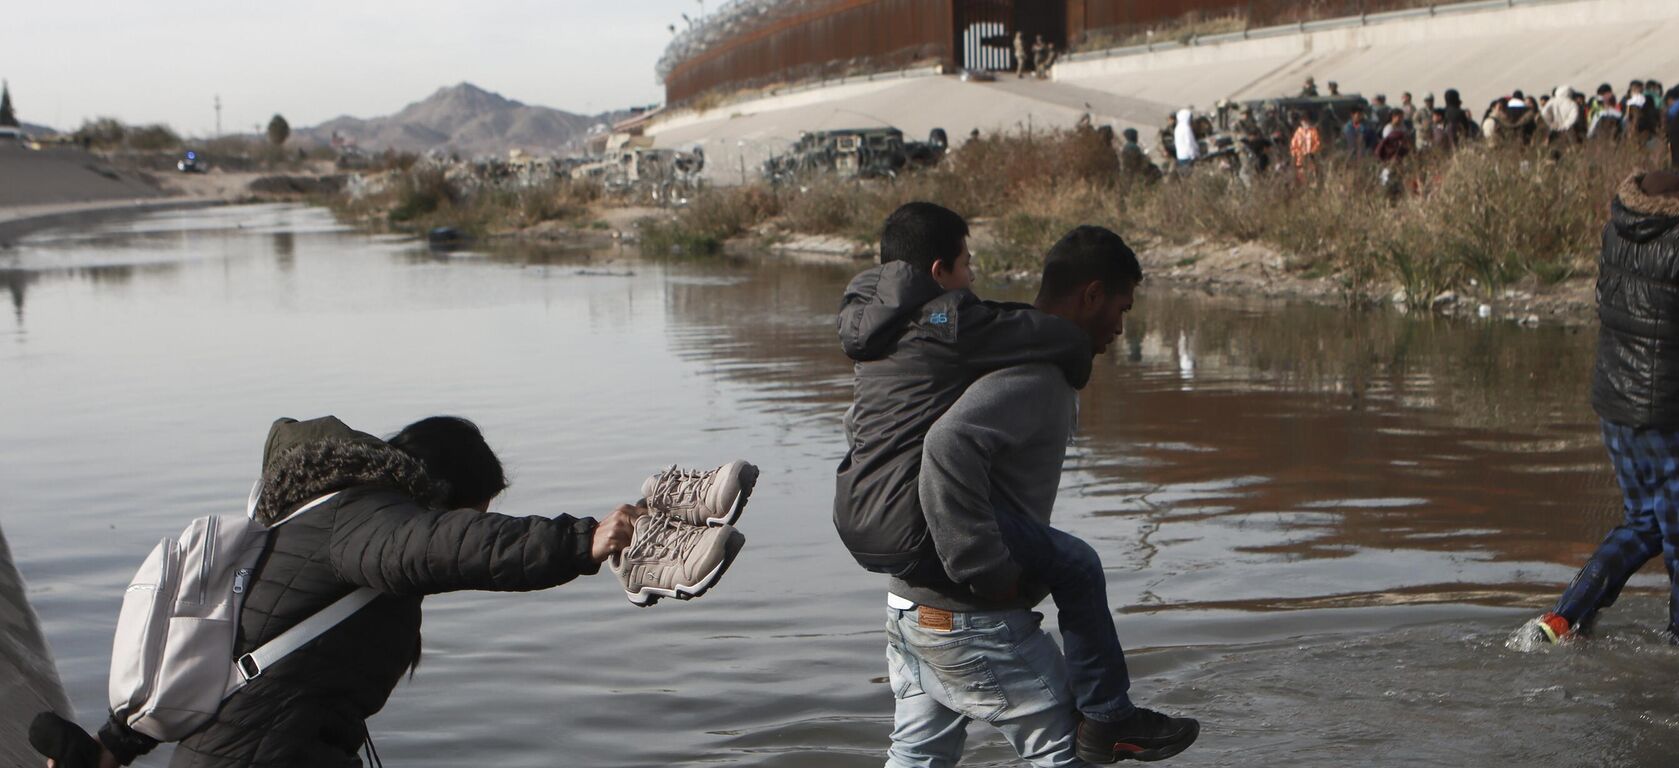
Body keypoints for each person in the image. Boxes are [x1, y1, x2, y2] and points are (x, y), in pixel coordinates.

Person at [38, 416, 754, 767]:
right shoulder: (367, 518)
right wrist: (583, 541)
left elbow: (219, 656)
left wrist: (110, 749)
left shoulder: (318, 519)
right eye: (474, 508)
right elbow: (449, 548)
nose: (471, 522)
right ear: (446, 492)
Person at [883, 225, 1200, 767]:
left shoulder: (991, 354)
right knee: (1067, 751)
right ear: (1092, 294)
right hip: (970, 616)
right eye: (1120, 309)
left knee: (917, 757)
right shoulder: (1039, 374)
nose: (1121, 329)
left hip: (910, 610)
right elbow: (947, 445)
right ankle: (1111, 719)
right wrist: (986, 569)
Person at [1530, 100, 1679, 647]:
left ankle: (1563, 620)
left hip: (1616, 402)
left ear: (1667, 149)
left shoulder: (1625, 216)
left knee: (1647, 522)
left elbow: (1608, 300)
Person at [1289, 111, 1323, 181]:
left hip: (1311, 160)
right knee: (1301, 179)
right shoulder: (1298, 132)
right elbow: (1293, 147)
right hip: (1300, 162)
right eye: (1303, 120)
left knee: (1313, 178)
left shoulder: (1313, 131)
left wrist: (1311, 153)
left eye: (1306, 120)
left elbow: (1317, 143)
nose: (1305, 122)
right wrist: (1298, 154)